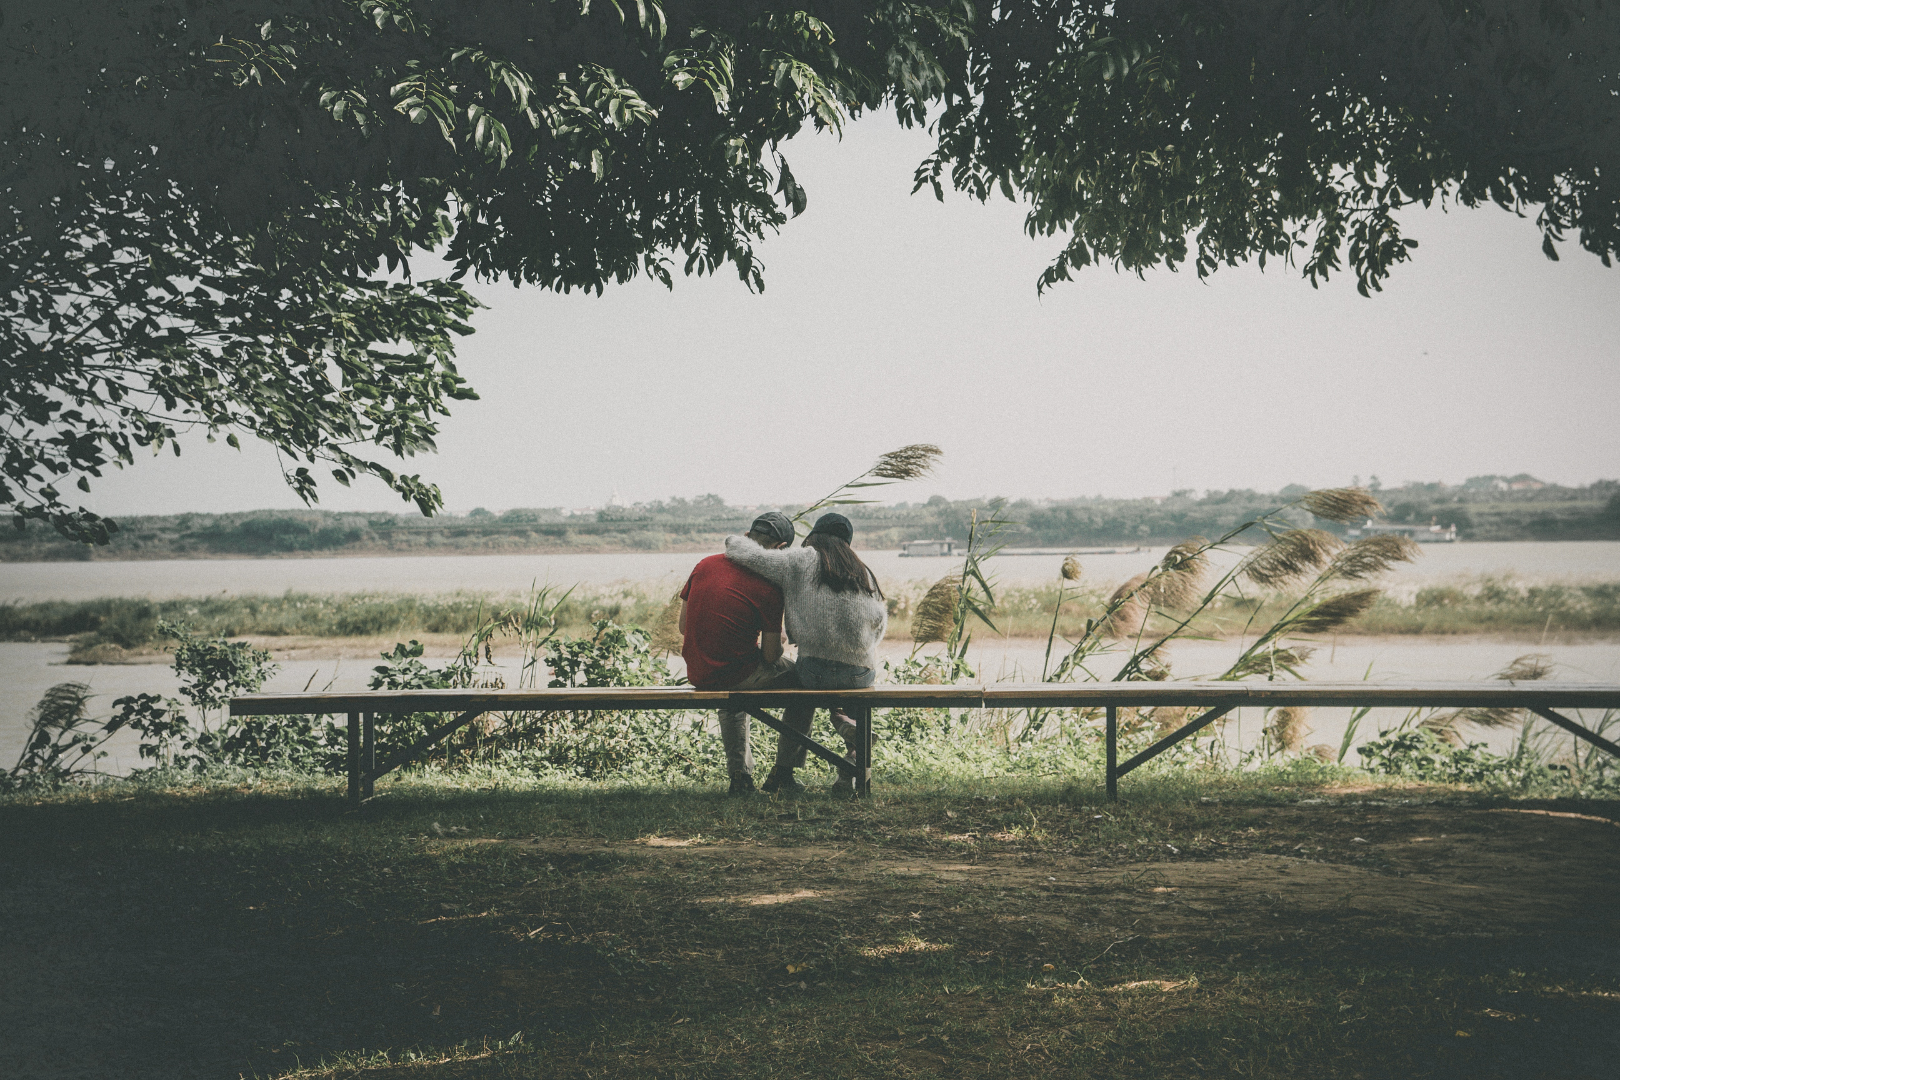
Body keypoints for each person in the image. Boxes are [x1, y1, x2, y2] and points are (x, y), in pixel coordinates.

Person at [723, 512, 887, 795]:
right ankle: (848, 740)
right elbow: (879, 625)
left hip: (813, 671)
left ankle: (784, 772)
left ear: (813, 536)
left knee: (801, 690)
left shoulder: (801, 560)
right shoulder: (864, 572)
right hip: (859, 673)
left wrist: (736, 539)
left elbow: (750, 556)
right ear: (848, 543)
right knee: (857, 683)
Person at [677, 511, 808, 796]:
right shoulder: (769, 584)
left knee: (731, 684)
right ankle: (784, 773)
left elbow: (683, 626)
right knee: (805, 683)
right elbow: (772, 657)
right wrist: (777, 641)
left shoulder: (705, 565)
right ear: (781, 550)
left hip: (699, 673)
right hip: (733, 673)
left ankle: (740, 777)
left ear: (746, 536)